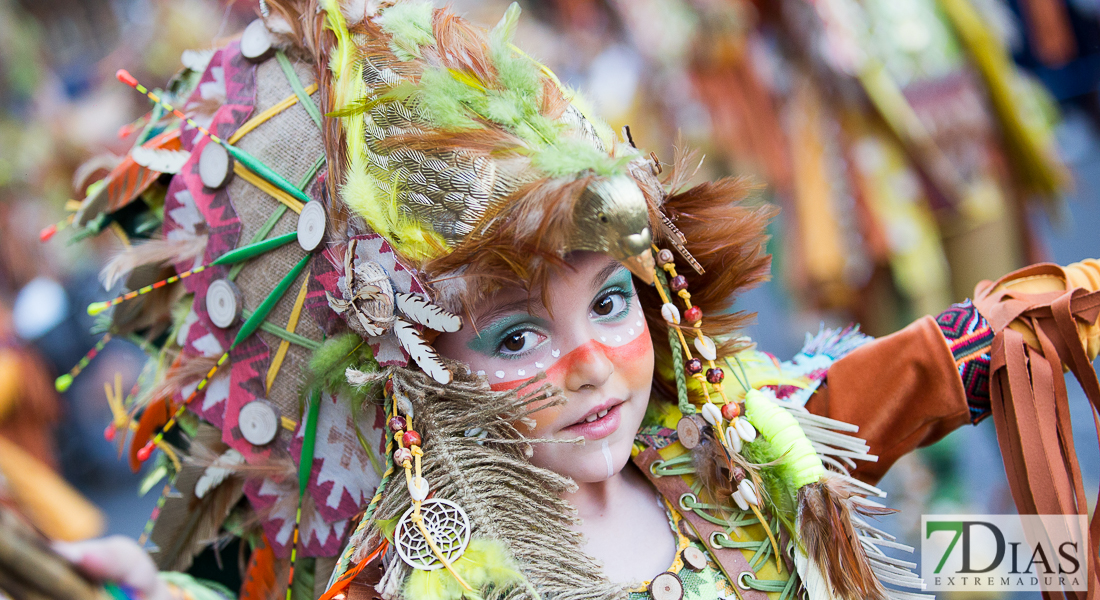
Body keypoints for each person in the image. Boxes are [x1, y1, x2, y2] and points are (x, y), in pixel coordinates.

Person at [44, 1, 1098, 600]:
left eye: (607, 305)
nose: (588, 362)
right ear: (430, 379)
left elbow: (873, 448)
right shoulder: (445, 567)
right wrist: (137, 590)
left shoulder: (713, 448)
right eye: (514, 335)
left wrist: (1002, 372)